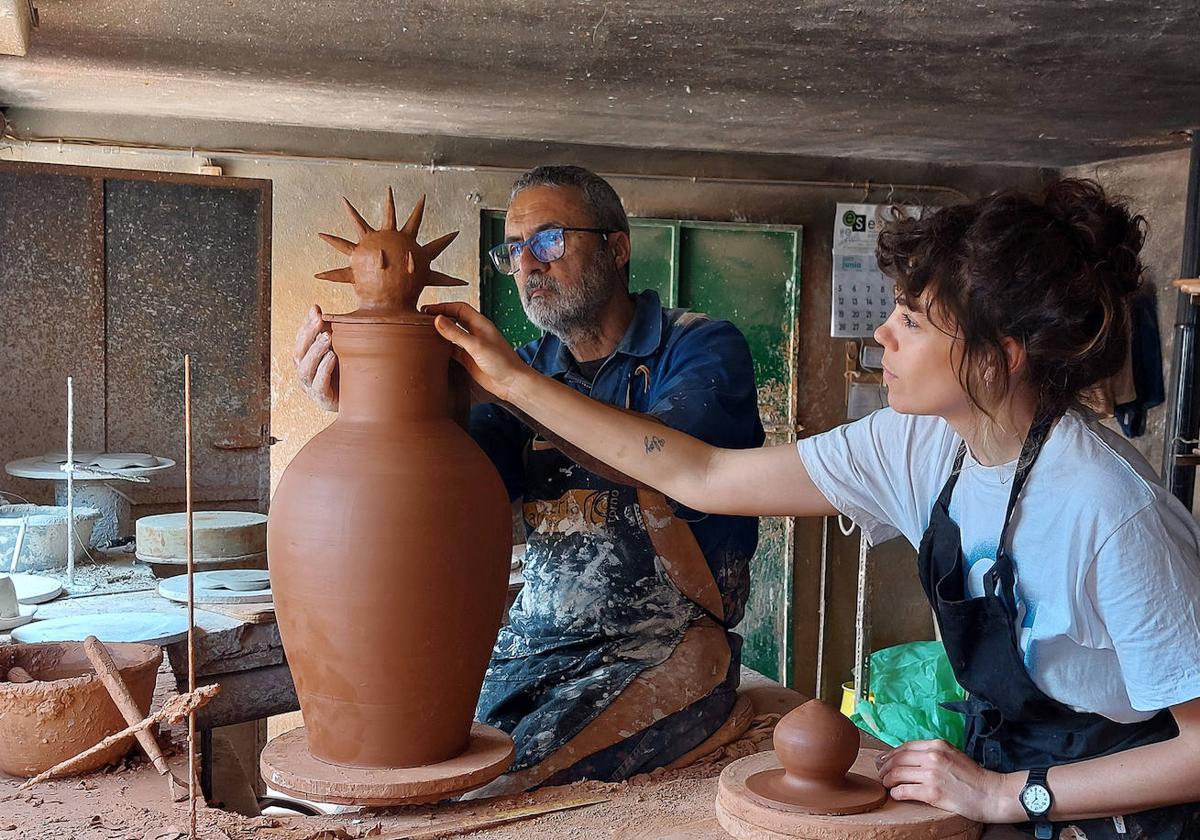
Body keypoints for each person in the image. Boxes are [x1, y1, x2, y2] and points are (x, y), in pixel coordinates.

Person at [427, 179, 1200, 838]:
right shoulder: (922, 443)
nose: (881, 334)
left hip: (1121, 801)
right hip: (1009, 771)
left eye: (914, 320)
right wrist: (511, 381)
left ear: (1003, 355)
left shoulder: (1108, 511)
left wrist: (1009, 793)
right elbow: (701, 474)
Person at [294, 165, 765, 790]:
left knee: (507, 779)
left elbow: (670, 466)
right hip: (535, 635)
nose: (527, 266)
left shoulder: (699, 348)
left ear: (616, 248)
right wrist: (375, 406)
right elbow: (440, 502)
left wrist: (514, 387)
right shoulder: (523, 372)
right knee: (434, 756)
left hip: (662, 640)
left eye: (548, 240)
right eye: (512, 250)